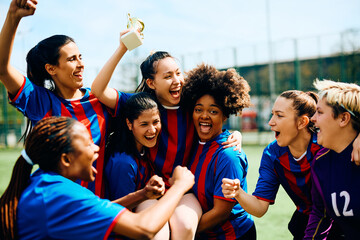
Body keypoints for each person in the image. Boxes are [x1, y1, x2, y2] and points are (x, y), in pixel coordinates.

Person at [91, 45, 242, 238]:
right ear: (151, 83)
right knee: (158, 233)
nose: (177, 80)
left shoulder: (191, 102)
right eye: (168, 76)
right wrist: (123, 48)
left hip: (184, 187)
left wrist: (235, 133)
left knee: (186, 226)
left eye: (178, 73)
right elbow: (98, 90)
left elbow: (213, 118)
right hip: (151, 188)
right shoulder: (144, 104)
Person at [0, 0, 131, 197]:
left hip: (99, 209)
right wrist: (13, 17)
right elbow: (3, 69)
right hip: (56, 206)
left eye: (80, 57)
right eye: (72, 59)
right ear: (51, 69)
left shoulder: (100, 99)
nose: (81, 64)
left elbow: (147, 108)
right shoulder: (40, 101)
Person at [0, 116, 194, 240]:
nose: (96, 148)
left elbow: (92, 210)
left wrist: (142, 194)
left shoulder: (45, 183)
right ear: (66, 159)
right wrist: (179, 186)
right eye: (87, 144)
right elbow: (144, 229)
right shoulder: (59, 194)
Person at [222, 90, 322, 240]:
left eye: (279, 115)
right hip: (305, 223)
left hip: (339, 223)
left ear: (302, 122)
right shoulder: (272, 154)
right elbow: (260, 208)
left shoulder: (325, 146)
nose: (271, 122)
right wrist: (238, 193)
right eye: (272, 114)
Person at [181, 64, 255, 239]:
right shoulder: (192, 144)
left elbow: (220, 212)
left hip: (233, 235)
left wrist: (181, 232)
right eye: (198, 109)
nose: (204, 116)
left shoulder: (228, 154)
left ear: (225, 115)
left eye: (213, 111)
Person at [105, 92, 170, 239]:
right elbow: (120, 214)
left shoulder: (146, 150)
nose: (152, 130)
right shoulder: (123, 163)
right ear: (129, 124)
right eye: (144, 124)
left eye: (155, 122)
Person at [304, 79, 360, 239]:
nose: (313, 118)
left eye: (320, 112)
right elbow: (319, 215)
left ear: (343, 119)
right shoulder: (321, 162)